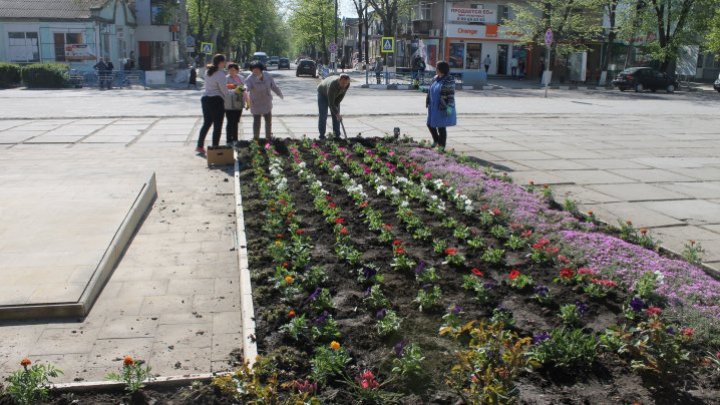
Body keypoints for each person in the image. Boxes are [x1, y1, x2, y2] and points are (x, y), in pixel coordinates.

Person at [196, 54, 228, 155]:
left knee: (206, 123)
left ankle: (199, 146)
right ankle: (215, 148)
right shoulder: (220, 74)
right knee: (217, 125)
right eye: (224, 61)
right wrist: (229, 95)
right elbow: (224, 90)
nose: (225, 63)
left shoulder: (207, 72)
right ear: (221, 62)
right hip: (216, 100)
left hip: (205, 99)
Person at [245, 61, 283, 142]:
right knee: (256, 122)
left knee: (268, 121)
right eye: (253, 70)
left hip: (266, 102)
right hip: (256, 103)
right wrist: (244, 89)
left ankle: (268, 138)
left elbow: (273, 86)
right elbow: (246, 87)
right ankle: (256, 139)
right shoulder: (250, 78)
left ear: (261, 69)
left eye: (257, 69)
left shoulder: (267, 75)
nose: (255, 71)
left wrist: (279, 94)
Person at [425, 61, 456, 149]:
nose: (436, 69)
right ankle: (436, 140)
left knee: (441, 127)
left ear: (441, 69)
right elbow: (430, 89)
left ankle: (441, 146)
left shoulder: (449, 79)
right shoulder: (435, 78)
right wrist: (427, 99)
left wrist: (449, 106)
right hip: (433, 106)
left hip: (442, 106)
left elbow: (450, 94)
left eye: (437, 67)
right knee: (430, 124)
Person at [317, 74, 351, 140]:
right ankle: (322, 136)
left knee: (336, 116)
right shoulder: (332, 85)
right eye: (343, 83)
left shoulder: (347, 84)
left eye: (346, 83)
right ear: (339, 80)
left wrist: (337, 113)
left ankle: (336, 136)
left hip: (334, 96)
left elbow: (340, 98)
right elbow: (331, 103)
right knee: (323, 115)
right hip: (322, 93)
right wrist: (336, 112)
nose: (344, 85)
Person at [225, 62, 249, 144]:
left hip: (238, 103)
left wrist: (247, 101)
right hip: (228, 103)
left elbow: (244, 89)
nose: (232, 72)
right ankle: (228, 139)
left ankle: (235, 139)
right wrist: (233, 86)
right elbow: (223, 88)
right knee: (229, 121)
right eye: (230, 70)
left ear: (237, 71)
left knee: (236, 121)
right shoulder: (226, 78)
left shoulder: (241, 78)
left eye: (234, 70)